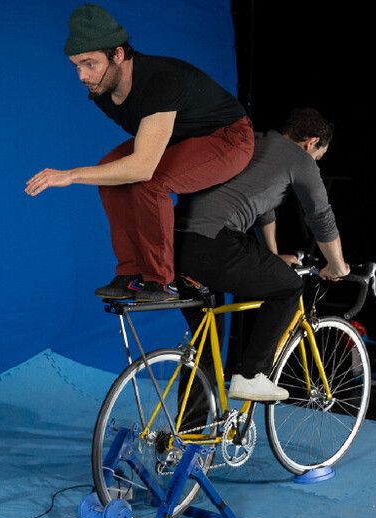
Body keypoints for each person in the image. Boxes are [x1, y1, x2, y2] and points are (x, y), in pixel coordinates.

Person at [25, 4, 254, 301]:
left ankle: (160, 281)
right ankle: (131, 274)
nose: (81, 75)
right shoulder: (102, 93)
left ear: (118, 54)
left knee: (149, 180)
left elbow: (143, 167)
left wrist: (70, 175)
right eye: (76, 65)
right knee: (109, 169)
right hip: (180, 135)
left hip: (228, 138)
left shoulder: (161, 80)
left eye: (89, 63)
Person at [173, 108, 350, 402]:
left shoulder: (254, 142)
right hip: (215, 243)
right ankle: (251, 375)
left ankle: (190, 435)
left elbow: (262, 207)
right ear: (311, 143)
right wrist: (337, 265)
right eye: (318, 156)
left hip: (179, 245)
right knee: (290, 288)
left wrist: (273, 256)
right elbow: (321, 217)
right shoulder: (299, 160)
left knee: (207, 345)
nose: (314, 163)